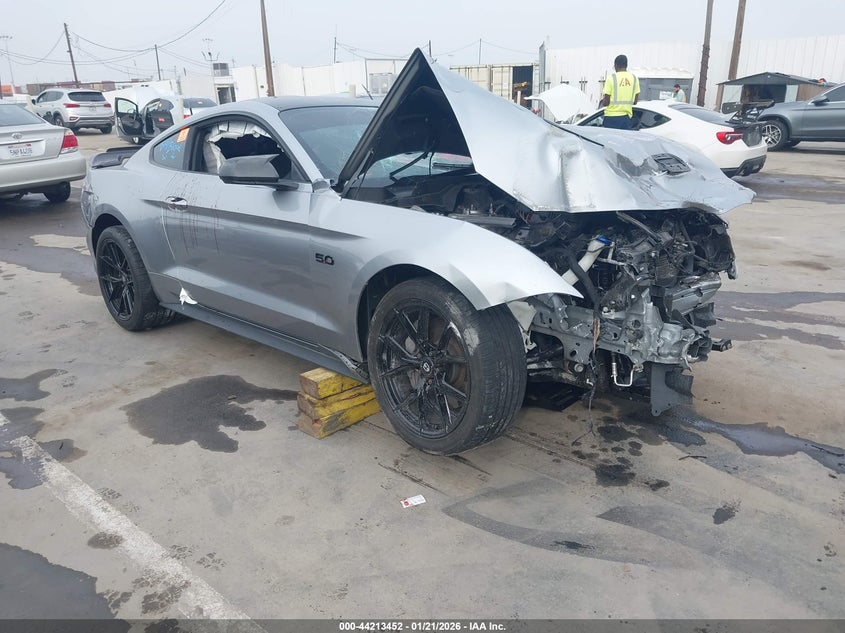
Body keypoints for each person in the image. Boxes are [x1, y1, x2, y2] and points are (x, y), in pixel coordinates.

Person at [601, 55, 640, 129]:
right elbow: (635, 101)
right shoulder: (634, 78)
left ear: (616, 65)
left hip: (611, 118)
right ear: (626, 65)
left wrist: (603, 101)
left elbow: (606, 103)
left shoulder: (611, 78)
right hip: (626, 118)